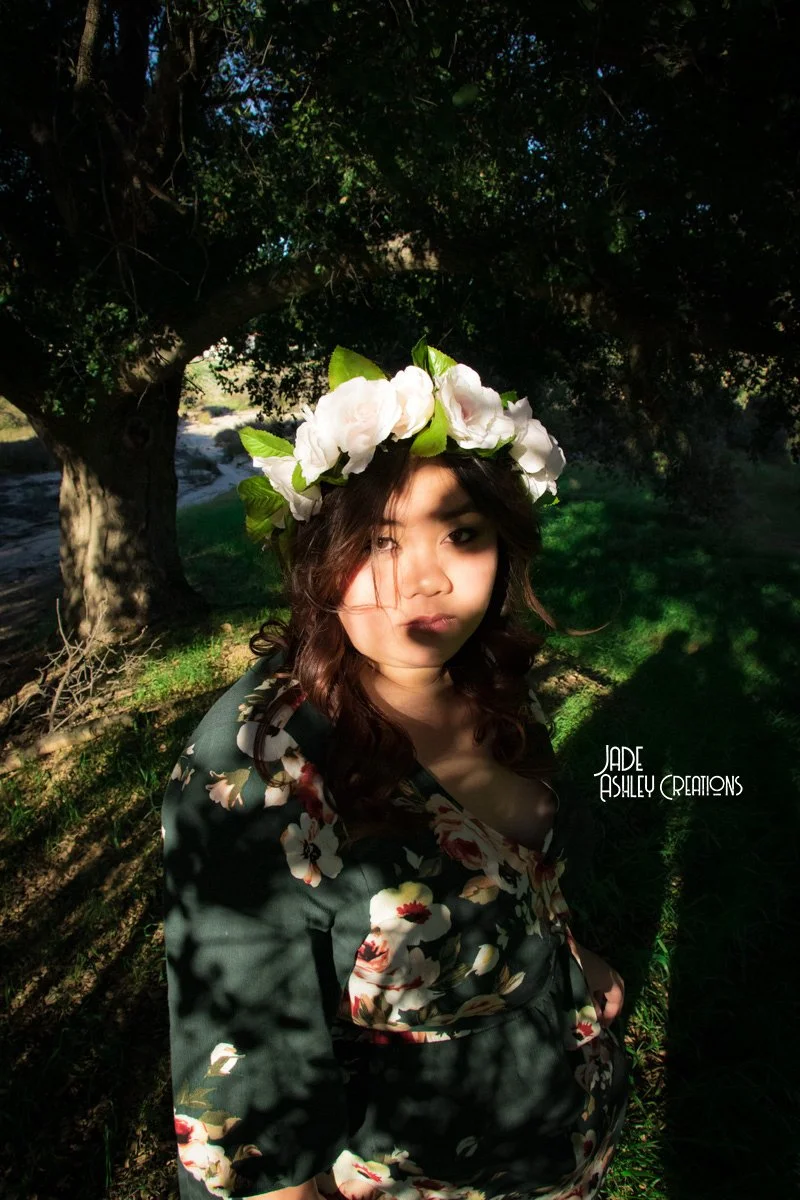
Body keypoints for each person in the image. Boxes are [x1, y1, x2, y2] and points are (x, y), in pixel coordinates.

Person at [162, 343, 629, 1200]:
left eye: (461, 533)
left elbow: (516, 878)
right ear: (317, 558)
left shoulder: (487, 680)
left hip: (564, 1144)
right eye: (379, 542)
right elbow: (250, 1120)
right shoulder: (256, 770)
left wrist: (570, 961)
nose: (426, 579)